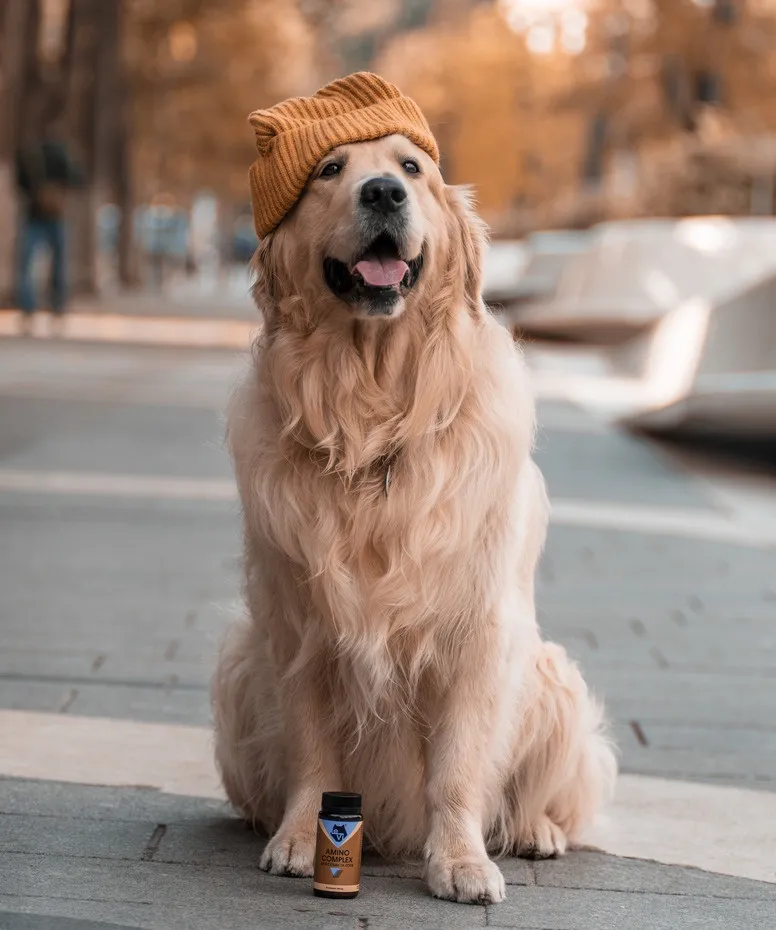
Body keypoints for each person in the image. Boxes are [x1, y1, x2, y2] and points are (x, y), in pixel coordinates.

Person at [15, 107, 83, 330]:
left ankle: (29, 310)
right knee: (58, 265)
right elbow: (76, 179)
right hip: (53, 217)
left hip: (34, 216)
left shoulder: (28, 153)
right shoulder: (62, 153)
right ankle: (57, 309)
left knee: (27, 264)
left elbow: (19, 184)